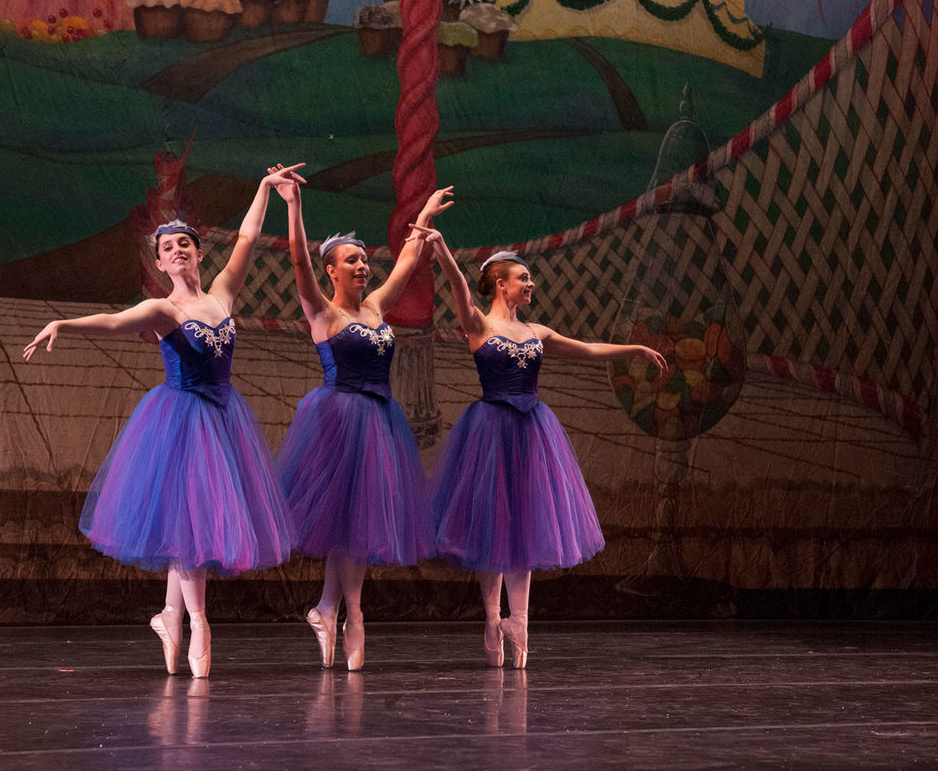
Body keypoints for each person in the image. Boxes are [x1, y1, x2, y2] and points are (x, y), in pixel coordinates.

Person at [23, 163, 306, 679]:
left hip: (223, 420)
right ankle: (198, 621)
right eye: (168, 247)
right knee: (191, 527)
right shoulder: (163, 310)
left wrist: (265, 187)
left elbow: (246, 236)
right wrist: (63, 322)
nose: (177, 251)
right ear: (159, 261)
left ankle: (170, 614)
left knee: (188, 527)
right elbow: (112, 322)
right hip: (181, 421)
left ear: (199, 253)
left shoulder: (221, 295)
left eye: (185, 245)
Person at [416, 228, 668, 669]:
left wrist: (636, 349)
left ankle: (521, 623)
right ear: (501, 284)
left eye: (530, 278)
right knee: (492, 526)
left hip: (532, 430)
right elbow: (457, 285)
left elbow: (588, 349)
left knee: (528, 523)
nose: (530, 284)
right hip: (491, 430)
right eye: (523, 277)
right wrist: (441, 250)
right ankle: (494, 619)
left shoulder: (537, 331)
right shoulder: (479, 324)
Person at [271, 171, 454, 670]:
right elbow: (297, 260)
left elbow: (410, 262)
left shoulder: (375, 308)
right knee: (348, 521)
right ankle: (351, 612)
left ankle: (332, 609)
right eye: (352, 260)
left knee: (358, 524)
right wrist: (292, 204)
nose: (363, 267)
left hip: (379, 421)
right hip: (337, 420)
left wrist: (424, 217)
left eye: (365, 260)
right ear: (331, 271)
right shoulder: (322, 313)